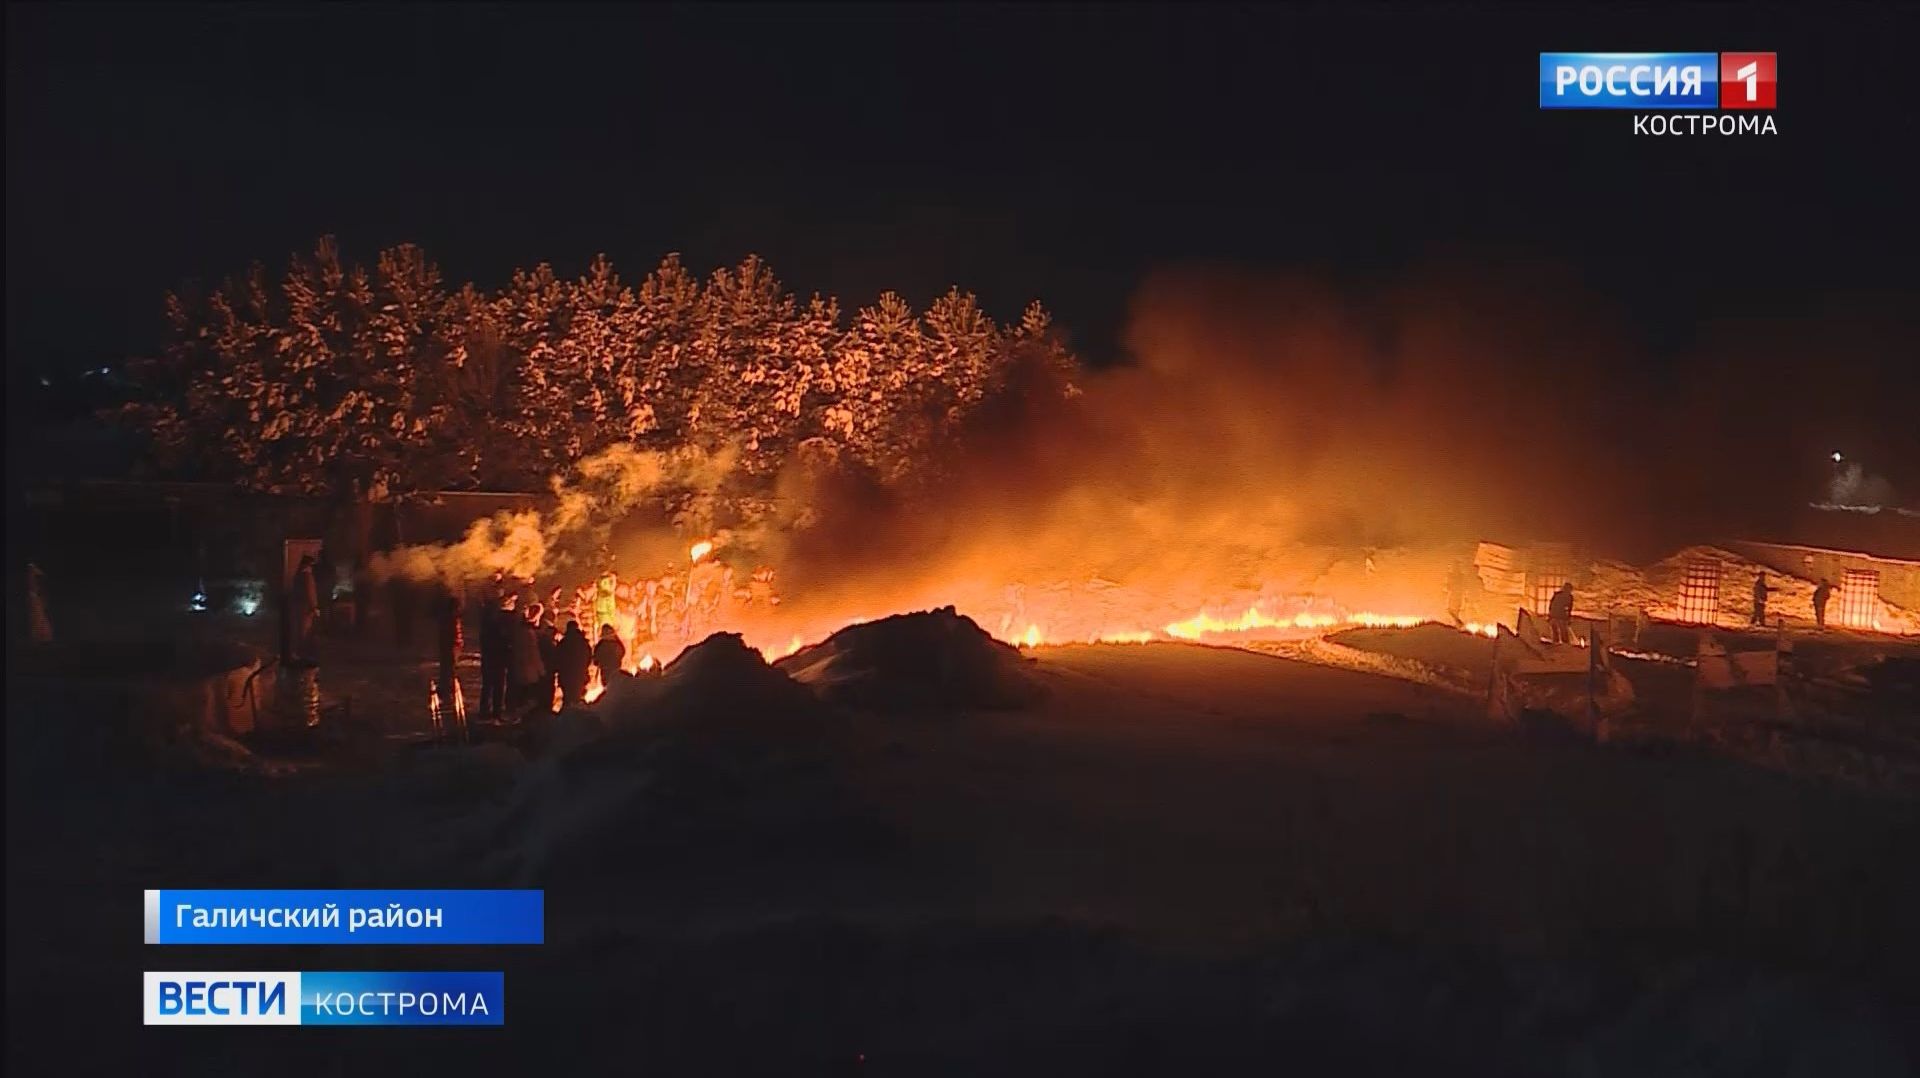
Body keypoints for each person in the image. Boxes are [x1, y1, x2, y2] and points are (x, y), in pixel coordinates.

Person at [433, 590, 465, 740]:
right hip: (451, 648)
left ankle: (445, 688)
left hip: (446, 647)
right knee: (450, 668)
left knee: (446, 668)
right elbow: (456, 635)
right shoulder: (453, 620)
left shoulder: (445, 618)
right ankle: (447, 690)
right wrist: (458, 644)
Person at [478, 596, 514, 719]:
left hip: (489, 659)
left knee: (488, 685)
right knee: (497, 686)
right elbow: (502, 642)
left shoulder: (486, 626)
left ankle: (485, 711)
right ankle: (495, 712)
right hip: (496, 660)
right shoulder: (496, 627)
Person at [509, 602, 548, 711]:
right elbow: (534, 655)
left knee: (522, 696)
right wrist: (542, 671)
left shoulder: (519, 631)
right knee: (529, 699)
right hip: (530, 672)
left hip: (519, 670)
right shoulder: (530, 634)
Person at [555, 620, 593, 708]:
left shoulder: (563, 643)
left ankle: (567, 715)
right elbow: (588, 656)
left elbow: (558, 657)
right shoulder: (583, 642)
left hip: (566, 675)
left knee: (567, 697)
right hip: (579, 674)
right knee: (577, 696)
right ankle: (578, 713)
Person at [291, 554, 321, 660]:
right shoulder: (307, 576)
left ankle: (298, 651)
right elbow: (310, 592)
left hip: (299, 606)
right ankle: (301, 652)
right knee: (304, 630)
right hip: (306, 608)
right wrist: (314, 607)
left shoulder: (298, 576)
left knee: (299, 629)